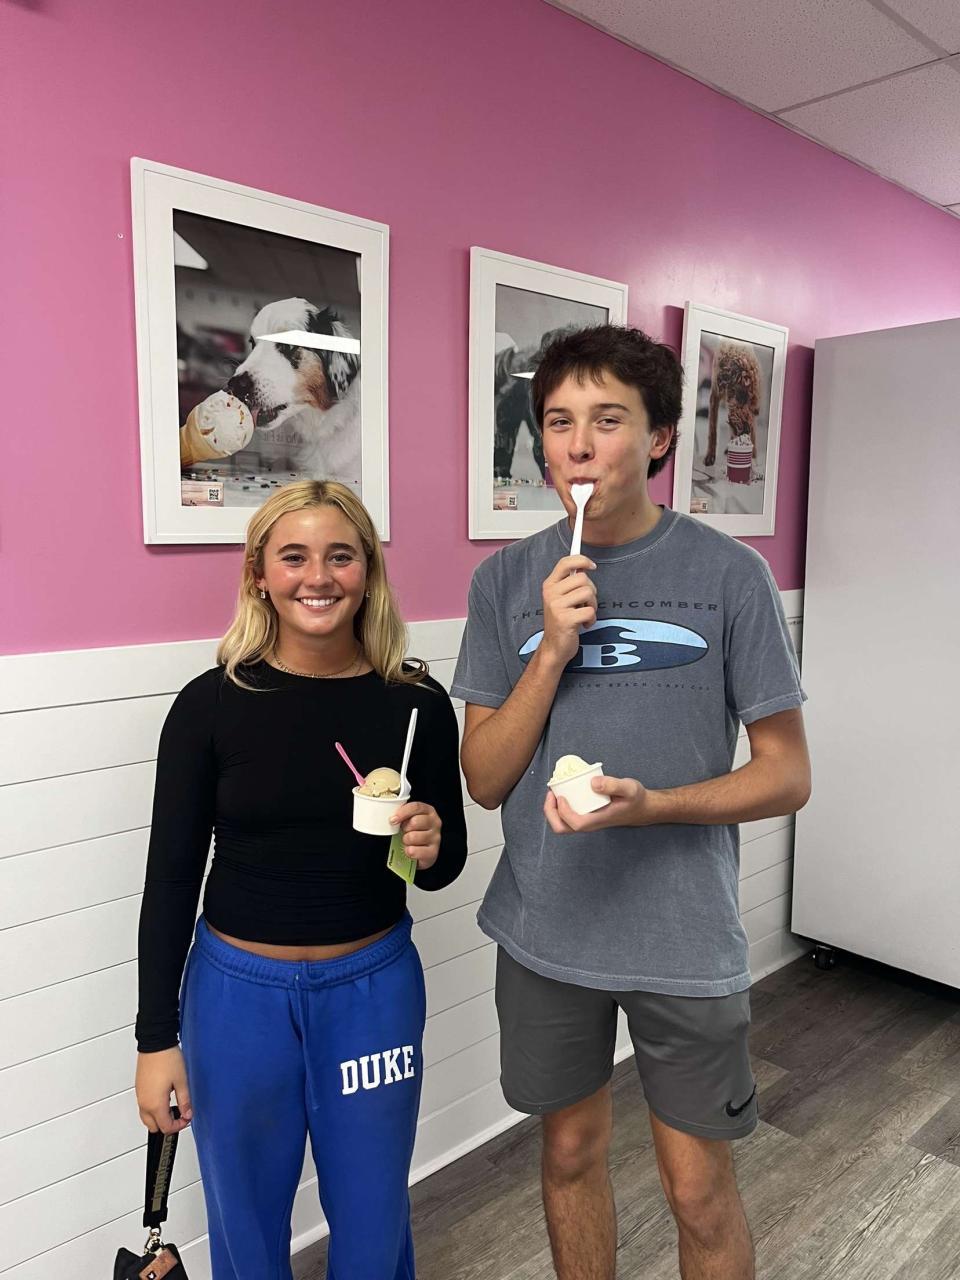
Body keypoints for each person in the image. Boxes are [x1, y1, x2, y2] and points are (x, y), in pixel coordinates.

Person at [452, 325, 810, 1280]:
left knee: (698, 1192)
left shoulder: (730, 577)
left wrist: (651, 805)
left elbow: (787, 773)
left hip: (684, 937)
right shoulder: (503, 582)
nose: (577, 446)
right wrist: (551, 652)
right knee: (569, 1155)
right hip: (545, 931)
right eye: (558, 421)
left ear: (657, 439)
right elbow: (484, 778)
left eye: (606, 420)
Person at [135, 480, 467, 1280]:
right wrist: (155, 1039)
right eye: (294, 557)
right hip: (235, 1000)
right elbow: (172, 877)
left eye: (340, 556)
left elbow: (442, 866)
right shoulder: (210, 704)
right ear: (259, 574)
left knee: (373, 1212)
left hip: (373, 994)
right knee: (244, 1220)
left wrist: (429, 843)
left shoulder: (416, 703)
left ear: (368, 572)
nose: (318, 576)